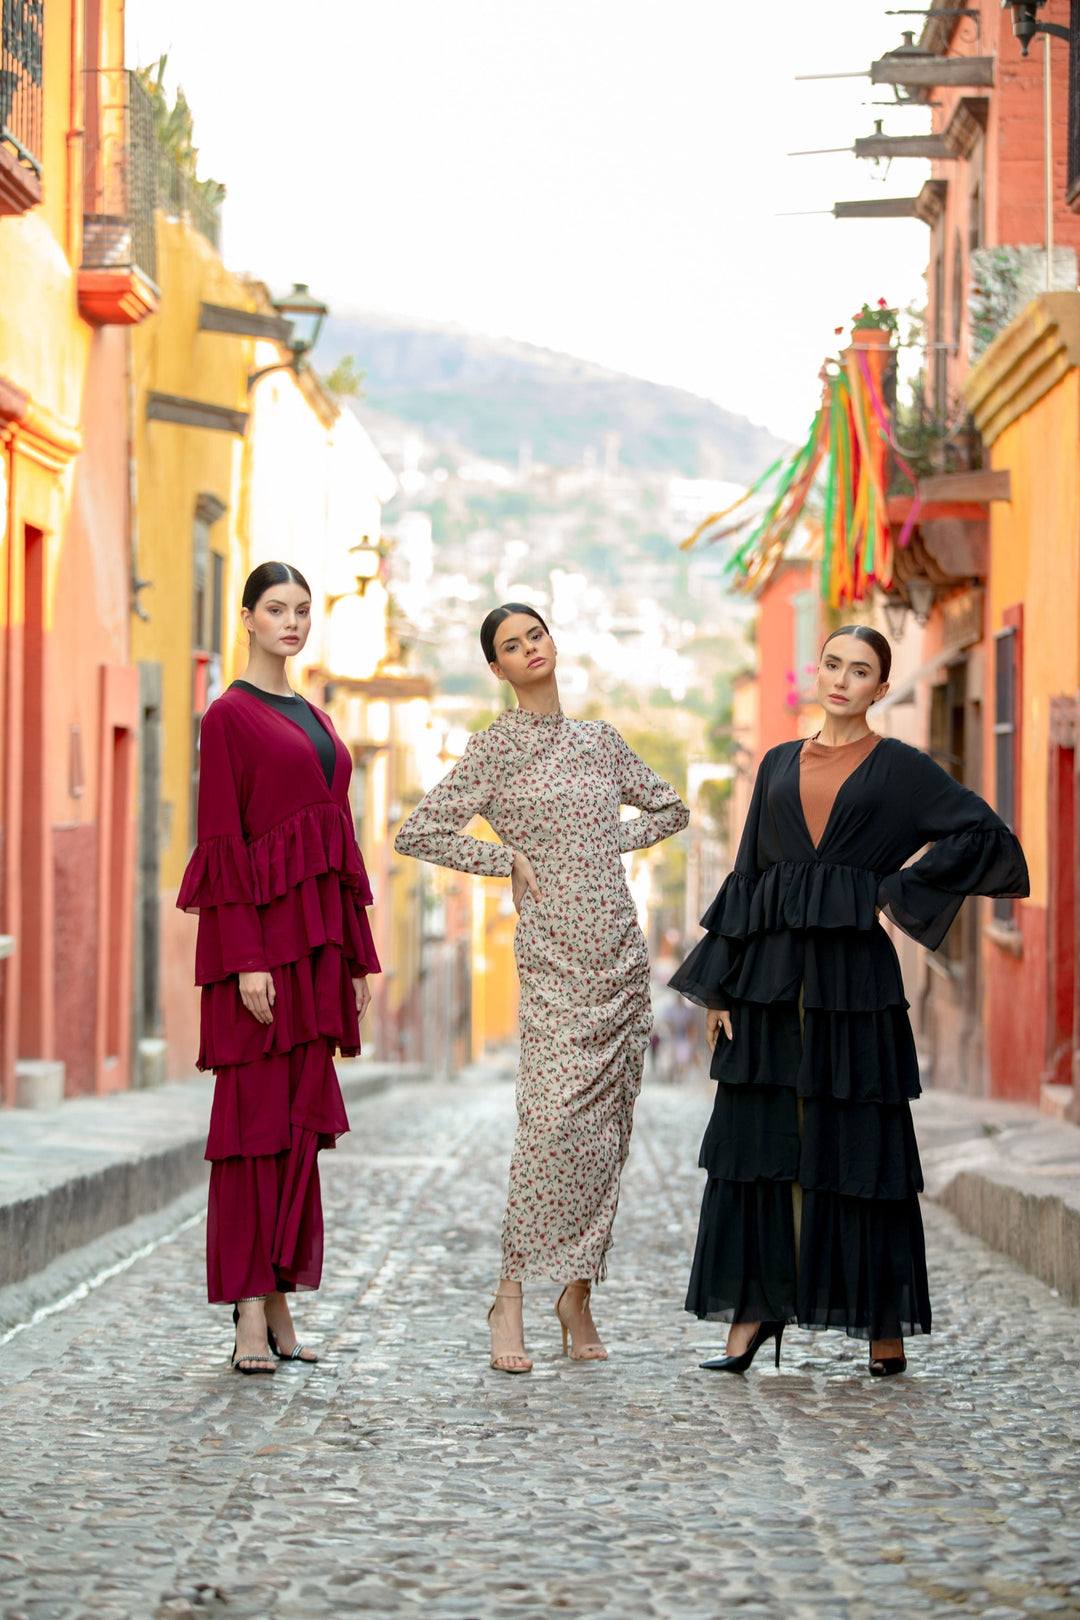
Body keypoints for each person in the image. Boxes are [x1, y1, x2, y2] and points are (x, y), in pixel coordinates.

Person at [670, 625, 1028, 1377]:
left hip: (853, 987)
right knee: (762, 1142)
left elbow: (981, 833)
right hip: (767, 978)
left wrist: (888, 894)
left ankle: (880, 1321)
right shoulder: (775, 762)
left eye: (859, 670)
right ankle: (756, 1313)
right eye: (832, 663)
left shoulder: (899, 771)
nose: (841, 679)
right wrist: (720, 985)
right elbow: (747, 876)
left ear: (880, 688)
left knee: (859, 1143)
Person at [394, 604, 689, 1372]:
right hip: (554, 962)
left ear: (553, 645)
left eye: (536, 636)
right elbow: (419, 830)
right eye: (511, 646)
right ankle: (511, 1295)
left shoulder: (601, 741)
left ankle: (578, 1295)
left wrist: (601, 842)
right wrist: (508, 861)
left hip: (620, 960)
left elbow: (672, 808)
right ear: (496, 668)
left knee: (605, 1136)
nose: (529, 650)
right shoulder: (494, 750)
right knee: (550, 1126)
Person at [177, 561, 380, 1374]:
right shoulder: (227, 716)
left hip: (318, 959)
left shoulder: (318, 716)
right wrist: (248, 962)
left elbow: (338, 842)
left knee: (295, 1133)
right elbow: (222, 843)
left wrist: (357, 954)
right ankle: (248, 1314)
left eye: (302, 610)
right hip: (259, 961)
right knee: (251, 1134)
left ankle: (279, 1296)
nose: (292, 622)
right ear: (247, 618)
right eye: (276, 610)